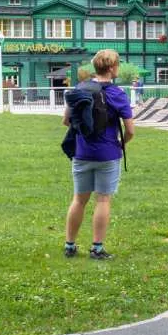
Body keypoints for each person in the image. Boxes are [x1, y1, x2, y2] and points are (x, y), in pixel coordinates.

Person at [62, 49, 134, 261]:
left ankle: (70, 245)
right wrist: (122, 143)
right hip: (107, 154)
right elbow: (130, 130)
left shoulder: (80, 89)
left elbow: (66, 121)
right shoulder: (117, 94)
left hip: (82, 152)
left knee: (79, 200)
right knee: (102, 200)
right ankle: (97, 248)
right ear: (112, 68)